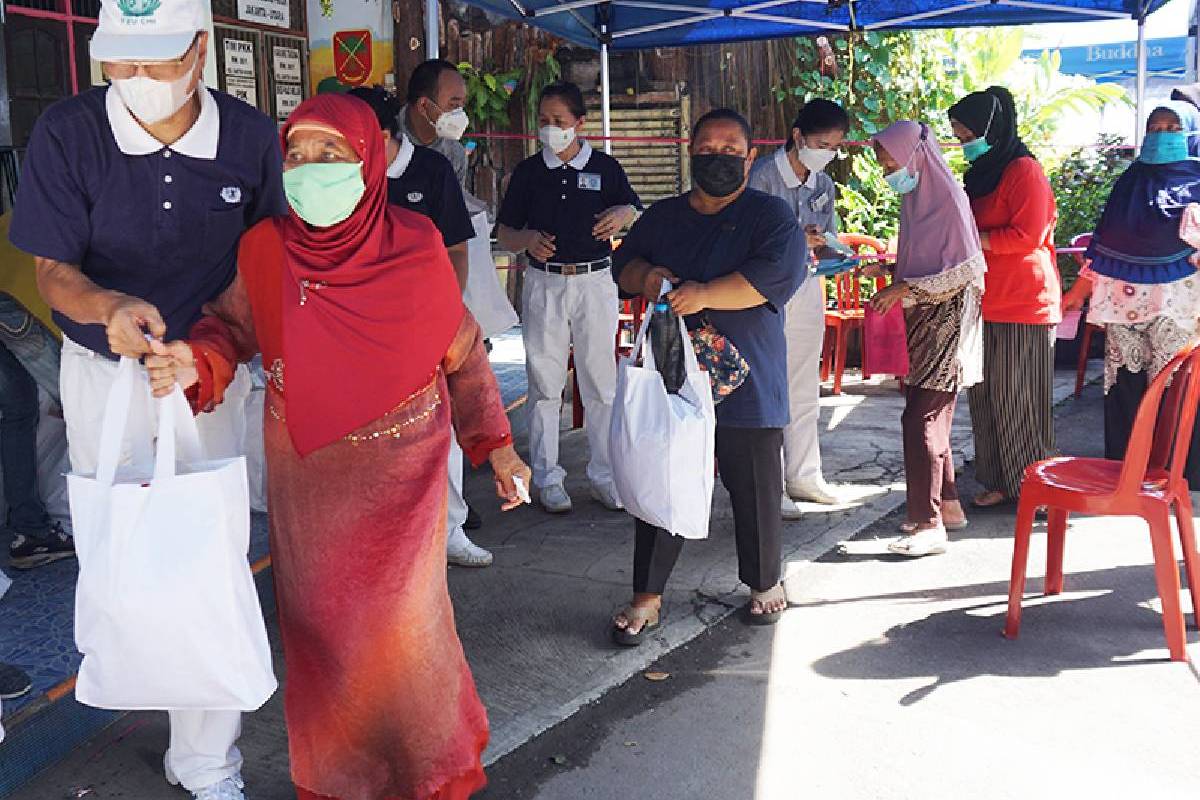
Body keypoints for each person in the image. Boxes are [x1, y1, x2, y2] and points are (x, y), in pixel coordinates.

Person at [145, 93, 531, 800]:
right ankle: (340, 779)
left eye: (330, 154)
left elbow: (465, 350)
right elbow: (227, 328)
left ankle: (423, 772)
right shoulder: (265, 248)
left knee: (404, 636)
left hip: (404, 473)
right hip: (310, 476)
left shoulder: (413, 244)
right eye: (297, 154)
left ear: (368, 160)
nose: (311, 169)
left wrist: (497, 447)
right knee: (325, 637)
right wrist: (192, 365)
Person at [8, 1, 286, 797]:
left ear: (202, 48)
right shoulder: (70, 131)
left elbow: (260, 263)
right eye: (120, 63)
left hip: (205, 378)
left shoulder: (247, 137)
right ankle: (144, 686)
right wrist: (110, 312)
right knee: (120, 550)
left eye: (156, 62)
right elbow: (52, 271)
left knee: (209, 556)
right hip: (104, 375)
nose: (135, 81)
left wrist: (207, 353)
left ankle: (206, 759)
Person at [608, 108, 806, 643]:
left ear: (749, 156)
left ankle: (765, 582)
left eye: (730, 148)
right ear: (690, 150)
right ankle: (647, 595)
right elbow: (623, 267)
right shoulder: (663, 217)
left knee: (756, 484)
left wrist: (703, 294)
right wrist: (647, 277)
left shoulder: (771, 217)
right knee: (662, 475)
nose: (717, 156)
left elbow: (774, 280)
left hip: (748, 373)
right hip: (675, 370)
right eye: (707, 147)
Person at [349, 85, 494, 567]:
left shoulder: (430, 170)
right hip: (357, 327)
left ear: (386, 134)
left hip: (419, 323)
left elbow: (455, 249)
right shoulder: (343, 173)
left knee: (437, 427)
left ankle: (451, 529)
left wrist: (442, 315)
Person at [497, 81, 641, 514]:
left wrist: (622, 212)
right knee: (544, 383)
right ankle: (547, 479)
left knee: (601, 382)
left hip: (595, 282)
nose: (550, 129)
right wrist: (526, 241)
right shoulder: (527, 173)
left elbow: (632, 206)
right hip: (544, 283)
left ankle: (604, 475)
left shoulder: (605, 167)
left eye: (559, 122)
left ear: (580, 123)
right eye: (543, 121)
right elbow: (505, 233)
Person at [1062, 101, 1200, 482]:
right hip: (1122, 304)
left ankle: (1174, 471)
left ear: (1189, 132)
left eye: (1173, 128)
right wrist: (1077, 294)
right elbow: (1103, 244)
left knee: (1172, 384)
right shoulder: (1130, 181)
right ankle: (1125, 467)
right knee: (1125, 382)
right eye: (1155, 128)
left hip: (1178, 305)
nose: (1162, 135)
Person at [869, 121, 985, 558]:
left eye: (889, 163)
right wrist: (889, 275)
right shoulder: (919, 200)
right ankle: (948, 506)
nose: (887, 173)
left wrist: (904, 289)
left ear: (914, 156)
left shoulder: (949, 201)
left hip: (949, 321)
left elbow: (964, 270)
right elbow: (924, 262)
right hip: (924, 324)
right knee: (928, 413)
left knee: (921, 418)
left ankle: (926, 523)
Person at [948, 87, 1061, 509]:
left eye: (966, 136)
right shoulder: (980, 174)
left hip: (1025, 302)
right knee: (985, 395)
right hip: (984, 299)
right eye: (958, 138)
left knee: (1021, 400)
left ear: (989, 129)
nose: (964, 145)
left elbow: (1028, 235)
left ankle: (1038, 488)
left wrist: (973, 242)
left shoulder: (1024, 170)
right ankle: (999, 479)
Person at [747, 99, 849, 520]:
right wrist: (794, 240)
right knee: (769, 387)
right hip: (765, 292)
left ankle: (804, 474)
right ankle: (771, 487)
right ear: (797, 137)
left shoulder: (823, 184)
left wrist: (828, 245)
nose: (827, 152)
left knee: (805, 382)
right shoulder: (762, 177)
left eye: (834, 146)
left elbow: (830, 237)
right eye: (821, 143)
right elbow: (749, 241)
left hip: (808, 287)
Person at [399, 59, 471, 189]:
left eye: (462, 105)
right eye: (453, 105)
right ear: (423, 105)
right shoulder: (385, 140)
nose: (459, 113)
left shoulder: (455, 155)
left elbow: (452, 206)